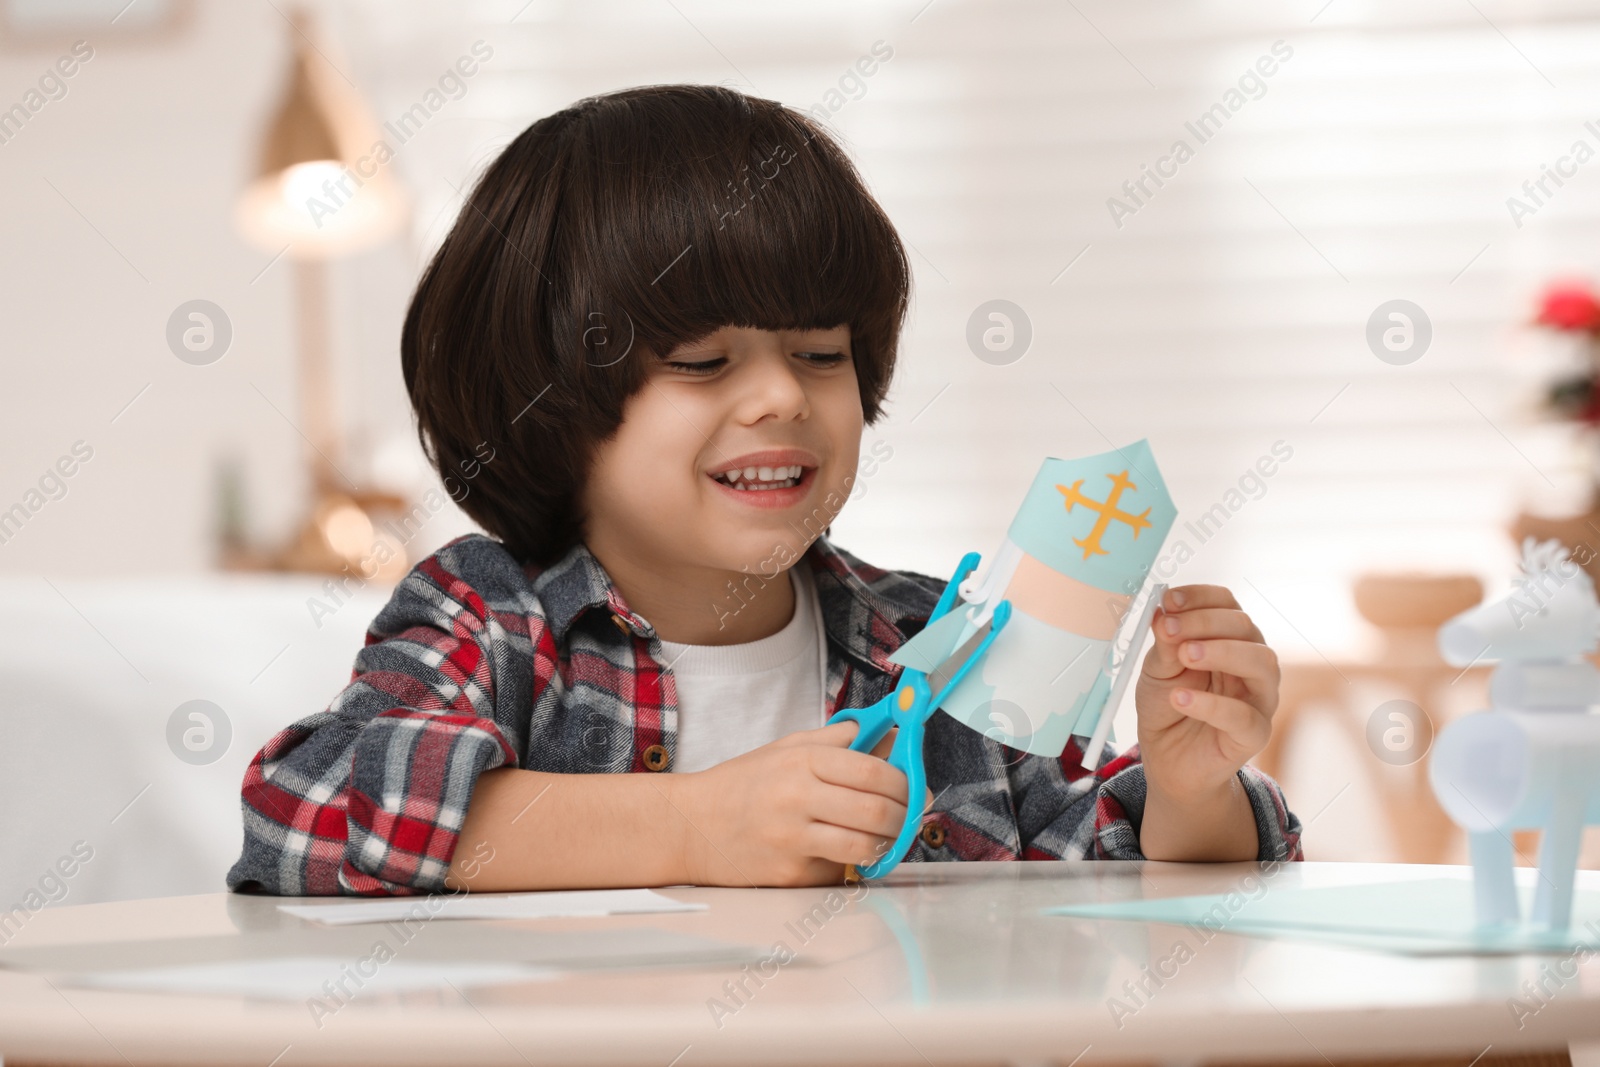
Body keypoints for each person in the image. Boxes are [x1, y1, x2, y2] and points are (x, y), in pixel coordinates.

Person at [226, 84, 1301, 896]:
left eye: (822, 353)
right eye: (703, 363)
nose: (782, 395)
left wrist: (1190, 785)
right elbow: (306, 808)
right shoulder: (491, 616)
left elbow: (1111, 866)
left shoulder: (942, 636)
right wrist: (695, 825)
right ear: (548, 392)